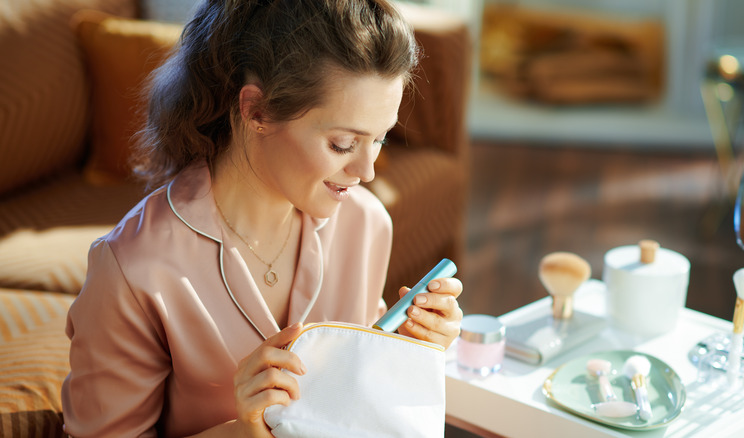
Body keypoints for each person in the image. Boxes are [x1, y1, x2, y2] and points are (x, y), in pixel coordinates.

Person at [61, 0, 464, 436]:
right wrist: (243, 430)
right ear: (257, 111)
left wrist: (409, 346)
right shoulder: (134, 269)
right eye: (344, 144)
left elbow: (350, 402)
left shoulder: (365, 225)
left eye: (381, 140)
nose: (366, 172)